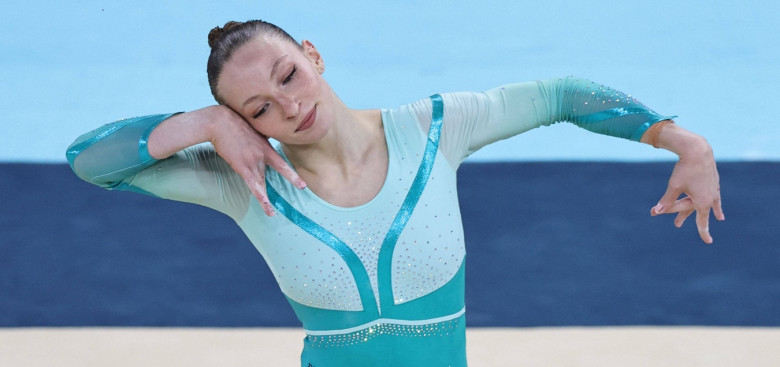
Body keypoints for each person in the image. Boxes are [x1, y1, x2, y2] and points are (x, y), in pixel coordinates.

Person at [66, 19, 724, 367]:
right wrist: (204, 123)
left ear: (314, 55)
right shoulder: (242, 181)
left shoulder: (435, 128)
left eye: (291, 75)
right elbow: (91, 162)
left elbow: (560, 95)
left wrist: (681, 140)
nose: (290, 106)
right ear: (246, 125)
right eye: (259, 108)